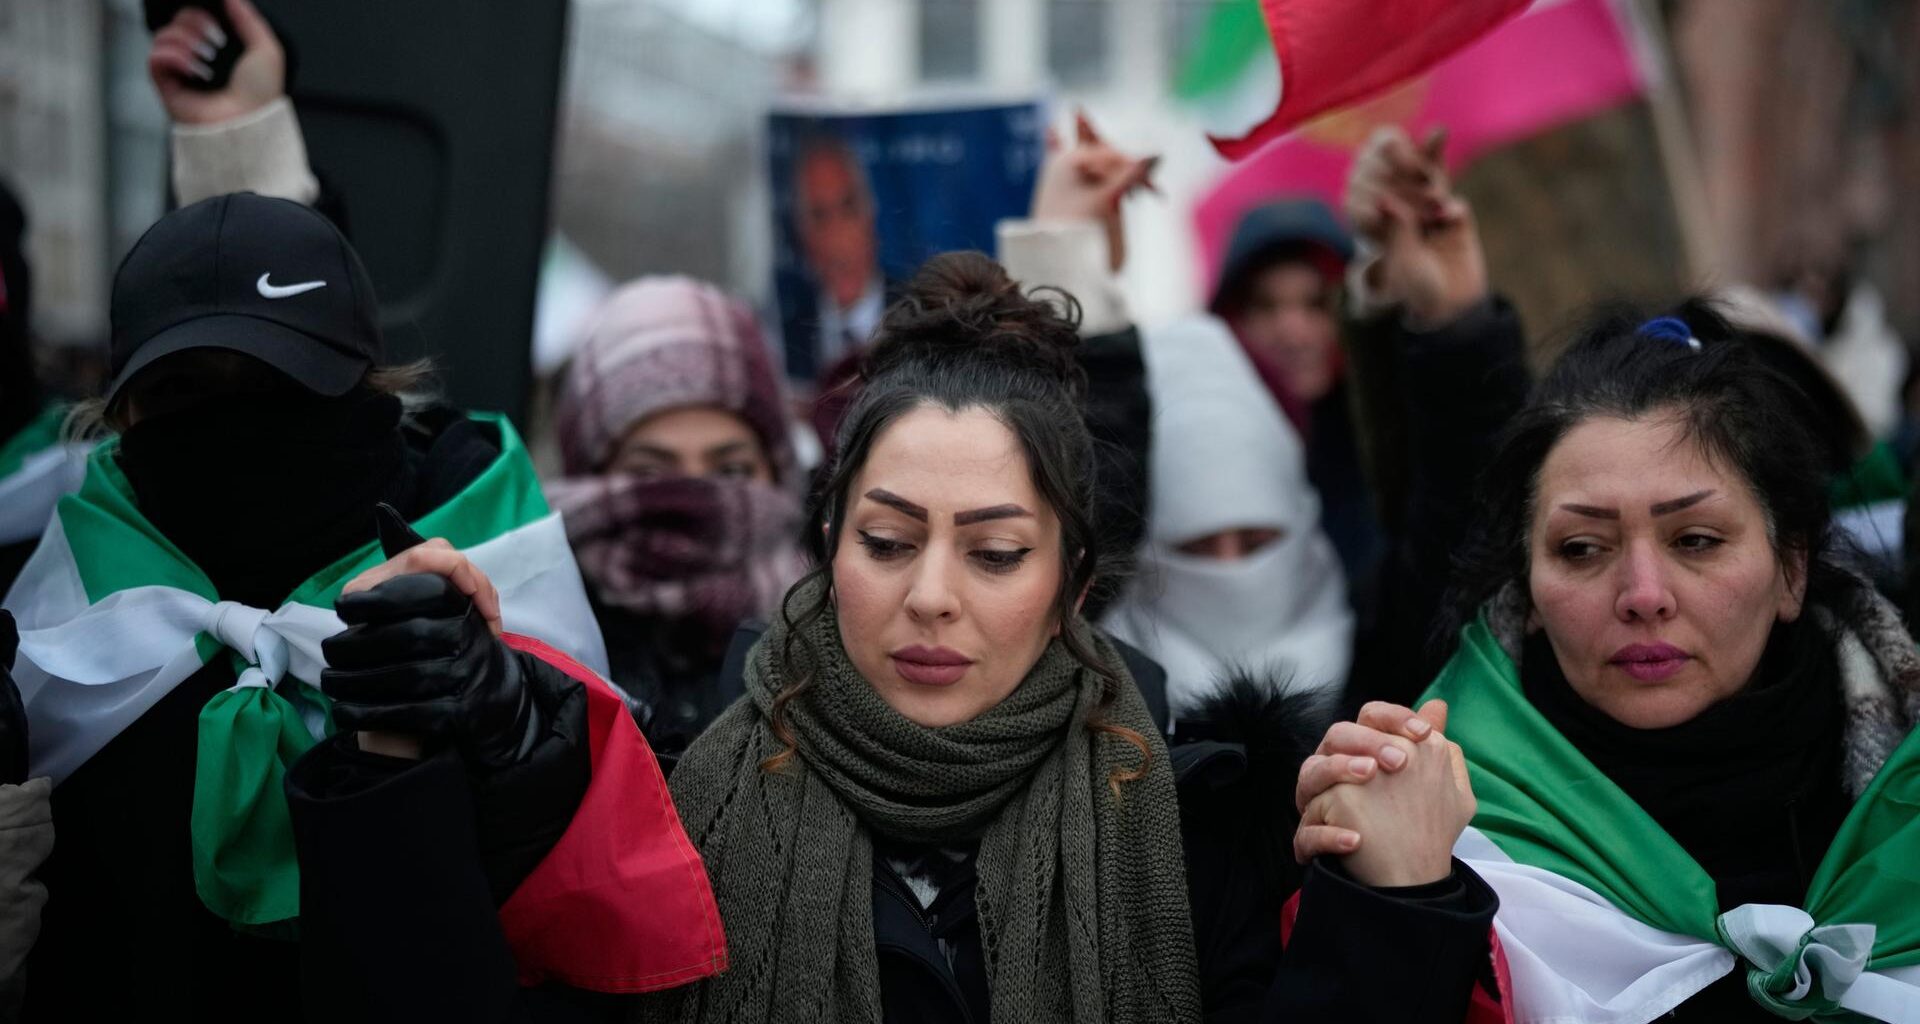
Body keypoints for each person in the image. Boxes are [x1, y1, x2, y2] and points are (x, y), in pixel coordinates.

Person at [286, 250, 1503, 1023]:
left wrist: (1396, 905)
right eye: (887, 539)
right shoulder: (673, 811)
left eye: (994, 552)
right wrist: (411, 753)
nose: (931, 595)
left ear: (1074, 583)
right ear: (826, 543)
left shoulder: (1198, 836)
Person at [3, 192, 607, 1023]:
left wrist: (510, 737)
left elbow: (583, 891)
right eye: (183, 392)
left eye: (279, 384)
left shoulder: (492, 569)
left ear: (368, 388)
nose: (236, 428)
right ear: (121, 417)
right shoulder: (56, 626)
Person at [1313, 302, 1920, 1019]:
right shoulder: (1432, 832)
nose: (1643, 595)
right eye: (1582, 549)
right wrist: (1400, 913)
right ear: (1526, 592)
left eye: (1695, 540)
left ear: (1791, 569)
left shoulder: (1904, 810)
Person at [547, 276, 809, 755]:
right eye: (651, 473)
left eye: (731, 470)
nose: (694, 500)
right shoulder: (537, 636)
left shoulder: (834, 632)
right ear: (590, 474)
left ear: (777, 470)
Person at [1103, 314, 1354, 714]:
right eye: (1196, 548)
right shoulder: (1098, 700)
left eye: (1256, 543)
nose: (1231, 569)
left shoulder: (1385, 652)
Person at [1209, 196, 1383, 584]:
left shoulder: (1398, 441)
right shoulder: (1201, 465)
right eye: (1265, 307)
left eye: (1316, 304)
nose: (1293, 332)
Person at [778, 132, 896, 385]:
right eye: (819, 216)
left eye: (848, 208)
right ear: (802, 235)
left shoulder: (921, 317)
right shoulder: (786, 336)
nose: (836, 234)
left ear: (870, 216)